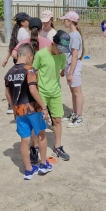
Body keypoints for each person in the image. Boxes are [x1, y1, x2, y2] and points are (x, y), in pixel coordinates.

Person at [5, 43, 53, 180]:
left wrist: (13, 107)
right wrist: (43, 107)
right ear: (29, 55)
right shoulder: (30, 70)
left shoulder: (9, 72)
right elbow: (32, 89)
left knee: (25, 139)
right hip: (33, 108)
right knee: (41, 134)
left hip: (19, 111)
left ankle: (28, 170)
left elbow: (7, 93)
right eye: (32, 58)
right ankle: (44, 164)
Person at [11, 17, 52, 164]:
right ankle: (41, 156)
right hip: (41, 82)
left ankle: (33, 148)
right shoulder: (47, 42)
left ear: (29, 28)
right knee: (39, 120)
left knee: (30, 119)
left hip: (26, 86)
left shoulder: (24, 42)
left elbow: (14, 54)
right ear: (42, 28)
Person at [33, 30, 71, 160]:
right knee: (38, 121)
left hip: (55, 92)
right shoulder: (40, 54)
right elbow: (33, 71)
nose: (60, 52)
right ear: (53, 43)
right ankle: (35, 147)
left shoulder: (62, 56)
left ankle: (57, 147)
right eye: (59, 49)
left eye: (63, 50)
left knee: (57, 120)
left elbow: (60, 69)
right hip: (42, 93)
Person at [59, 11, 85, 128]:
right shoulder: (72, 35)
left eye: (65, 19)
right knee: (73, 92)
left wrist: (71, 72)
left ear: (70, 21)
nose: (63, 21)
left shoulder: (74, 36)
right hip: (70, 66)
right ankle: (74, 114)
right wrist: (65, 69)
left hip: (73, 67)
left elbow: (74, 55)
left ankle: (79, 117)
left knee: (77, 92)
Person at [2, 12, 31, 114]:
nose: (29, 22)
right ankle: (17, 104)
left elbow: (12, 46)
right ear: (23, 22)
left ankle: (11, 104)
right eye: (28, 20)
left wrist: (6, 59)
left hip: (17, 59)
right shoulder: (25, 33)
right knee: (23, 82)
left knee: (17, 81)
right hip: (23, 59)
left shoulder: (17, 31)